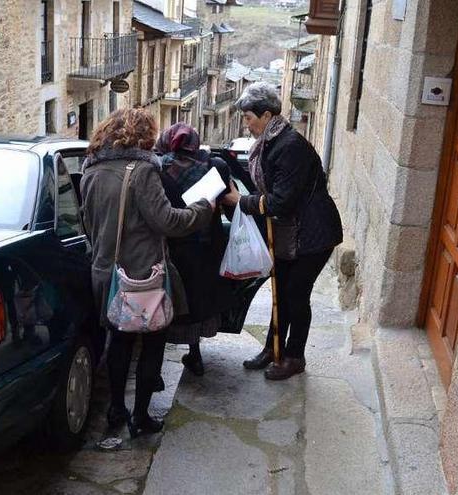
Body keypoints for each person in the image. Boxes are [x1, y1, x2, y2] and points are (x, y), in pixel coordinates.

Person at [80, 109, 213, 436]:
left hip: (104, 273)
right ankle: (140, 417)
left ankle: (115, 409)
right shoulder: (141, 172)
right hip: (142, 277)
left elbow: (87, 223)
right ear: (142, 136)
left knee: (118, 340)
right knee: (152, 343)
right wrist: (203, 207)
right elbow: (168, 221)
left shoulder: (90, 171)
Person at [222, 81, 343, 381]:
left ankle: (294, 357)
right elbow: (268, 185)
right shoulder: (271, 142)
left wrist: (242, 201)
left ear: (266, 115)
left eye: (249, 118)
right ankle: (272, 349)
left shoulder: (289, 146)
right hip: (292, 233)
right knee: (280, 292)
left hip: (313, 235)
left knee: (295, 295)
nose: (246, 124)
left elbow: (281, 201)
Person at [156, 123, 233, 376]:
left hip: (172, 247)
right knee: (196, 304)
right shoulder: (215, 167)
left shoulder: (158, 169)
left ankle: (154, 368)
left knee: (168, 303)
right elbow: (230, 207)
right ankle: (195, 354)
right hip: (205, 249)